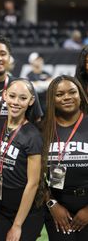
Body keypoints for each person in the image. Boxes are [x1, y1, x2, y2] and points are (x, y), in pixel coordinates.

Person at [0, 78, 44, 240]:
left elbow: (33, 183)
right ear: (5, 95)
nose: (16, 102)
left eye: (23, 98)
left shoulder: (33, 136)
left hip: (25, 211)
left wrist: (17, 225)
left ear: (31, 101)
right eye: (12, 96)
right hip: (0, 207)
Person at [42, 75, 88, 240]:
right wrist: (52, 205)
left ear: (80, 95)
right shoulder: (43, 128)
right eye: (59, 94)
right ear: (51, 99)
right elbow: (35, 177)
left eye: (72, 92)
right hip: (57, 208)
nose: (67, 97)